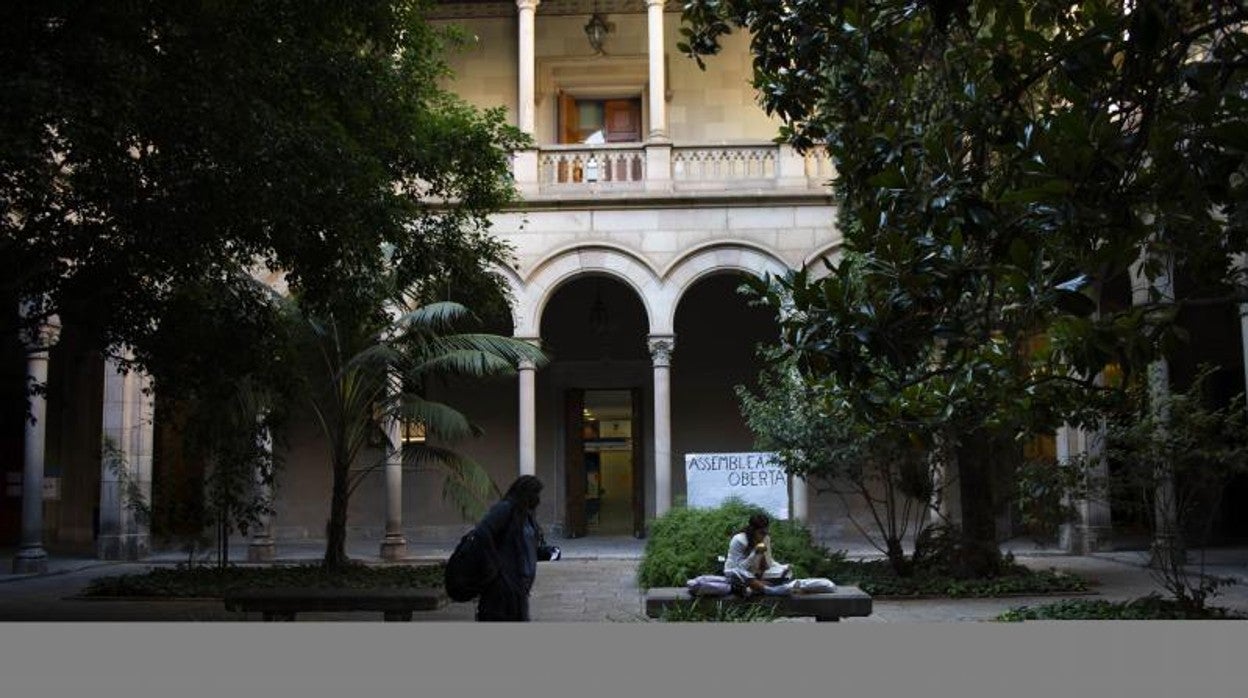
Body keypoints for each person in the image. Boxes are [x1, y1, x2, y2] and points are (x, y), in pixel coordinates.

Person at [475, 475, 559, 622]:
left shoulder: (526, 515)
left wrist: (545, 553)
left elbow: (522, 546)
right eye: (535, 493)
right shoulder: (505, 509)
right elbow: (482, 534)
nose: (538, 499)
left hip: (519, 588)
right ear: (525, 492)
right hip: (501, 590)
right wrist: (496, 570)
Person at [723, 513, 793, 596]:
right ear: (753, 530)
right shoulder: (739, 540)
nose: (763, 536)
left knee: (786, 573)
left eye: (766, 533)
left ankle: (756, 587)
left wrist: (781, 567)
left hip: (756, 573)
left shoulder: (766, 538)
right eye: (761, 533)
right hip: (737, 572)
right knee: (741, 574)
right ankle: (767, 589)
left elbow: (769, 561)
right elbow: (739, 567)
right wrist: (754, 553)